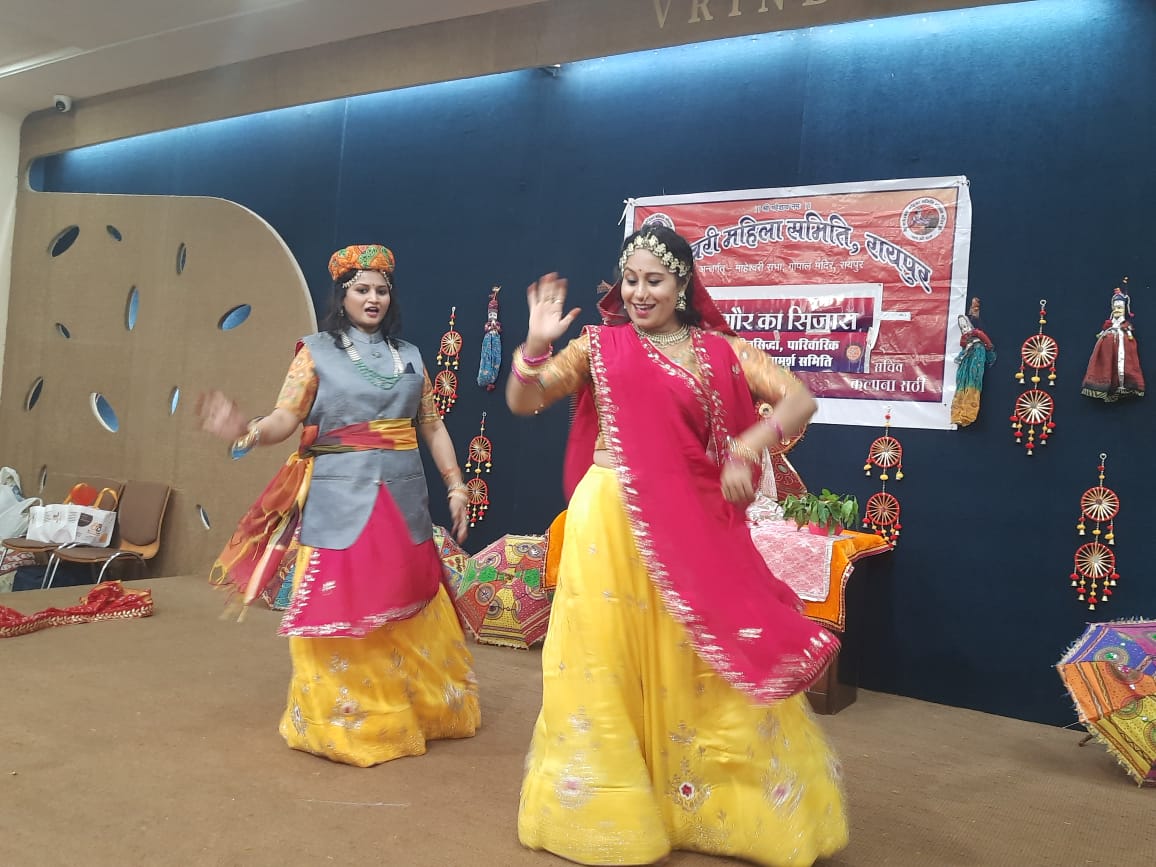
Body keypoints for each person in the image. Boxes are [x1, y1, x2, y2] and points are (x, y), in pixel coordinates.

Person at [507, 225, 848, 866]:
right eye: (630, 280)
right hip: (607, 519)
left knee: (698, 654)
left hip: (693, 522)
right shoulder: (598, 348)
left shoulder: (719, 349)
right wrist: (532, 344)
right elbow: (526, 401)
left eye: (653, 281)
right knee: (605, 661)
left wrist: (750, 443)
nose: (638, 293)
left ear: (682, 285)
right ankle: (613, 808)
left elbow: (800, 400)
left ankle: (711, 802)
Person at [198, 243, 480, 767]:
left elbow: (432, 425)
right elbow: (287, 417)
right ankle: (354, 722)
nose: (372, 299)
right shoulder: (315, 352)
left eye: (381, 290)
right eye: (361, 289)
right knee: (343, 598)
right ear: (343, 294)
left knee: (406, 596)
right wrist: (249, 429)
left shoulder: (412, 355)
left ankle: (417, 706)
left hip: (403, 495)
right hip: (340, 493)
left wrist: (456, 484)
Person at [1081, 280, 1145, 402]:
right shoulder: (1109, 324)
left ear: (1124, 309)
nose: (1117, 310)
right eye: (1115, 308)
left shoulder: (1125, 324)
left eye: (1120, 308)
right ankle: (1105, 385)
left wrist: (1128, 334)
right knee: (1106, 361)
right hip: (1109, 343)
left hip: (1123, 342)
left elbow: (1129, 330)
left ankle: (1124, 385)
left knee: (1126, 362)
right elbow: (1102, 332)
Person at [950, 298, 997, 427]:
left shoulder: (977, 334)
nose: (965, 328)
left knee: (973, 381)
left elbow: (986, 341)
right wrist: (965, 338)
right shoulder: (966, 337)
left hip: (977, 355)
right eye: (963, 327)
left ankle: (968, 414)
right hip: (967, 356)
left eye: (966, 325)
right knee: (962, 381)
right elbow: (962, 343)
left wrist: (987, 346)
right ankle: (957, 413)